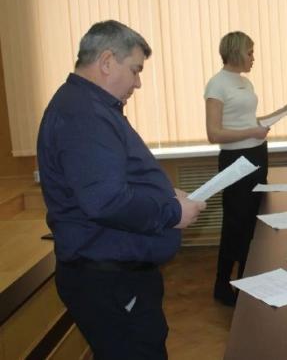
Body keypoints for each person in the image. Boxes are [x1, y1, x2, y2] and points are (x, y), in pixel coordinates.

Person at [37, 20, 206, 359]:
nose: (138, 82)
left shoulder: (88, 106)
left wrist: (164, 193)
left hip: (113, 273)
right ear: (106, 61)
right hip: (107, 278)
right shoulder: (83, 115)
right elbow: (106, 200)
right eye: (135, 70)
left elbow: (114, 179)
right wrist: (171, 211)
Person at [204, 31, 287, 306]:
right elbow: (214, 133)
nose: (253, 58)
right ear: (235, 52)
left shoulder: (245, 82)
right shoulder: (217, 85)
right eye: (250, 52)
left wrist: (281, 112)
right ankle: (222, 284)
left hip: (257, 155)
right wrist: (252, 132)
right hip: (235, 160)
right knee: (235, 223)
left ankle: (246, 283)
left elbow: (250, 121)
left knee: (253, 224)